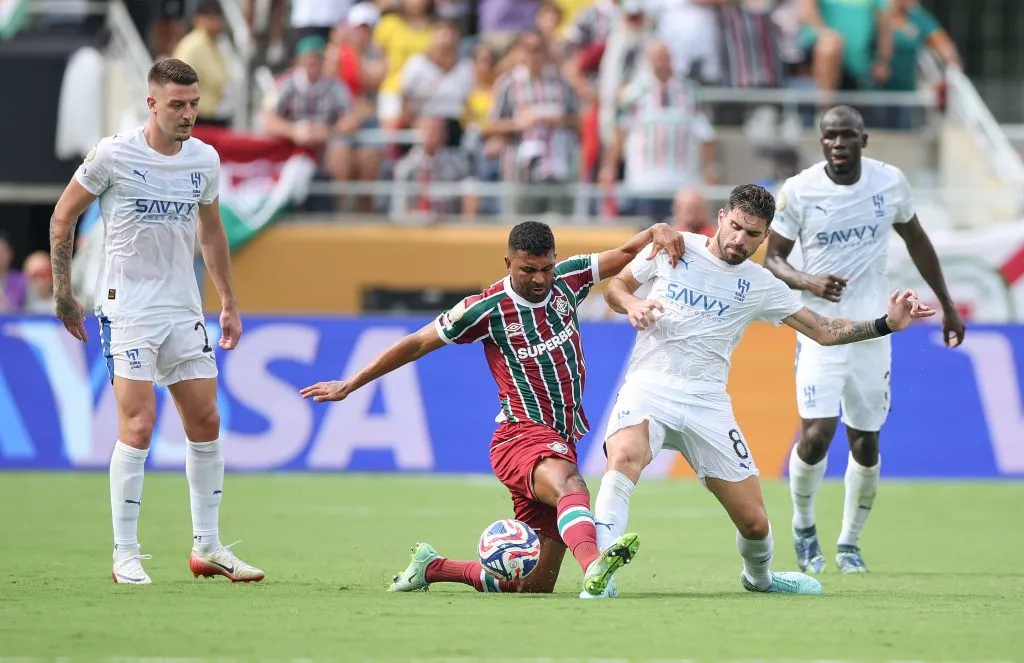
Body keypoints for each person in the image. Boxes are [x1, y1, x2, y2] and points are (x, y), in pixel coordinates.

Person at [301, 220, 685, 598]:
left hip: (560, 438)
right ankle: (594, 567)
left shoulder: (569, 278)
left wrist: (656, 230)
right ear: (508, 263)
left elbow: (626, 253)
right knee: (571, 484)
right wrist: (351, 383)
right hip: (519, 436)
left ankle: (433, 567)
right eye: (528, 270)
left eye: (546, 268)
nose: (540, 279)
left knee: (534, 583)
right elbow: (417, 343)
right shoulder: (486, 308)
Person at [594, 184, 936, 596]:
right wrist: (632, 305)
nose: (740, 239)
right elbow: (615, 287)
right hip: (650, 387)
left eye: (752, 234)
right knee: (624, 458)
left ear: (766, 235)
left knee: (755, 524)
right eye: (736, 227)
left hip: (707, 403)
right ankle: (601, 570)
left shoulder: (761, 284)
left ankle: (760, 580)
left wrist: (885, 323)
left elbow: (823, 330)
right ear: (722, 217)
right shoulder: (674, 246)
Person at [48, 58, 264, 585]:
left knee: (206, 422)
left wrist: (228, 301)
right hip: (127, 308)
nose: (188, 114)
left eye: (194, 105)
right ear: (152, 103)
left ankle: (207, 547)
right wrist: (63, 293)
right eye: (177, 105)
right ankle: (125, 553)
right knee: (139, 425)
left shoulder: (204, 159)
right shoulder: (113, 154)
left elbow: (211, 233)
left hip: (182, 308)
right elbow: (63, 215)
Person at [764, 105, 964, 574]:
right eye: (830, 136)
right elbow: (773, 258)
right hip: (820, 332)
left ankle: (849, 543)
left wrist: (947, 303)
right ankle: (804, 526)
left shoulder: (888, 182)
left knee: (866, 444)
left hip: (875, 331)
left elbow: (917, 240)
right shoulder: (799, 190)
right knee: (816, 436)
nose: (838, 143)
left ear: (863, 140)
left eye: (847, 135)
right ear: (821, 142)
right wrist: (809, 281)